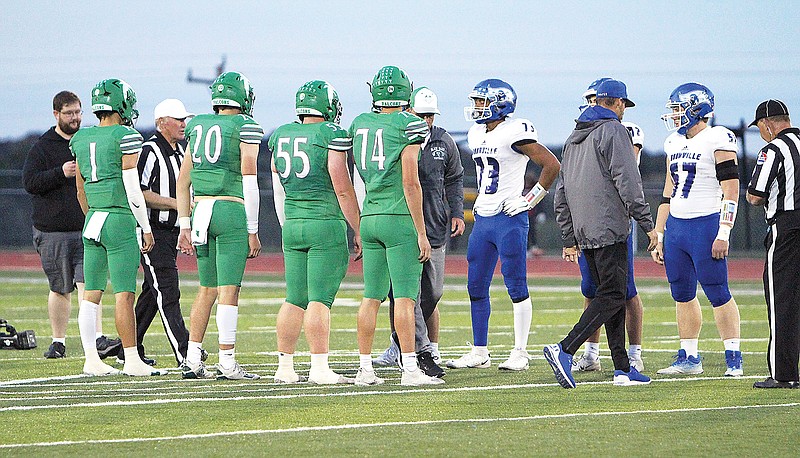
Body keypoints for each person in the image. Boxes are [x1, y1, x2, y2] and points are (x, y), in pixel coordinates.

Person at [546, 78, 656, 388]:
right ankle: (565, 349)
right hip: (608, 226)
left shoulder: (573, 137)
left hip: (584, 229)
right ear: (618, 103)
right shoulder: (613, 130)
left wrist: (569, 235)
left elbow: (561, 192)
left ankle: (622, 366)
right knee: (612, 295)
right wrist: (648, 225)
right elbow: (628, 182)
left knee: (610, 295)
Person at [446, 79, 560, 371]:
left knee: (516, 285)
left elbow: (552, 165)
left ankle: (520, 352)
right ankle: (480, 351)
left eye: (482, 102)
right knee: (475, 285)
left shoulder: (515, 131)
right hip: (483, 217)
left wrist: (530, 199)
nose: (477, 108)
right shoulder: (475, 133)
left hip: (509, 216)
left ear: (500, 104)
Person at [350, 65, 443, 387]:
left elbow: (358, 177)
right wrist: (421, 231)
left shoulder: (360, 123)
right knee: (404, 298)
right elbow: (410, 183)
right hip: (398, 218)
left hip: (370, 216)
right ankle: (410, 369)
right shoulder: (410, 125)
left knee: (371, 297)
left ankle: (365, 369)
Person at [70, 78, 164, 377]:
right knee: (124, 293)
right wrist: (145, 226)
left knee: (91, 293)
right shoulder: (125, 135)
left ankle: (91, 359)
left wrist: (92, 216)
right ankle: (132, 358)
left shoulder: (81, 139)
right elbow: (132, 188)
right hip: (119, 218)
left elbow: (80, 190)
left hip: (93, 219)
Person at [269, 80, 360, 385]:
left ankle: (285, 367)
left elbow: (278, 188)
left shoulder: (281, 134)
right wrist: (358, 227)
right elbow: (342, 187)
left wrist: (286, 224)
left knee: (294, 298)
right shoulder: (330, 134)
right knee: (318, 300)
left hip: (293, 223)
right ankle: (320, 368)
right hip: (324, 222)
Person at [651, 82, 743, 377]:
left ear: (696, 108)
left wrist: (724, 232)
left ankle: (733, 357)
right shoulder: (672, 143)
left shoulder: (717, 137)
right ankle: (689, 357)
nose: (674, 115)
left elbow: (731, 190)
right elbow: (668, 192)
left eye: (679, 109)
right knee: (681, 291)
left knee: (717, 290)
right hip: (677, 225)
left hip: (706, 223)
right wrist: (660, 233)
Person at [372, 86, 464, 377]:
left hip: (435, 225)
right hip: (403, 225)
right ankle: (418, 350)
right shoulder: (397, 137)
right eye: (421, 114)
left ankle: (401, 342)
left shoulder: (443, 141)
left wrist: (458, 212)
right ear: (408, 111)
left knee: (432, 293)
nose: (426, 121)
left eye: (430, 116)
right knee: (402, 293)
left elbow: (455, 178)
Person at [176, 71, 263, 380]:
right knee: (229, 289)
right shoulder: (244, 127)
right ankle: (227, 361)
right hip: (229, 210)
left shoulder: (197, 126)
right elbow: (250, 180)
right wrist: (253, 229)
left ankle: (192, 358)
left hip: (200, 211)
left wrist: (183, 224)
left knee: (206, 288)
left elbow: (183, 180)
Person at [23, 91, 121, 360]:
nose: (76, 118)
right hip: (52, 230)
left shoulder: (87, 140)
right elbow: (30, 183)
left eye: (78, 112)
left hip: (86, 226)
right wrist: (59, 173)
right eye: (69, 113)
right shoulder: (42, 147)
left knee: (89, 284)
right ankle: (58, 341)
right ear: (56, 114)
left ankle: (98, 338)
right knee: (60, 287)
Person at [570, 78, 646, 373]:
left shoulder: (618, 131)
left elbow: (625, 175)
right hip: (598, 223)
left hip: (605, 222)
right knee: (599, 290)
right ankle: (584, 351)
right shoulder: (585, 132)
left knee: (623, 291)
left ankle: (629, 357)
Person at [124, 99, 195, 367]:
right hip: (153, 230)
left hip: (172, 230)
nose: (183, 124)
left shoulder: (180, 151)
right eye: (178, 119)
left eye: (184, 119)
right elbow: (140, 193)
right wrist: (177, 203)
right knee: (167, 289)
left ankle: (127, 346)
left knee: (153, 294)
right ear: (161, 122)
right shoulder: (150, 151)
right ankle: (184, 350)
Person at [746, 100, 800, 389]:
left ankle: (784, 373)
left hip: (787, 230)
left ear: (767, 124)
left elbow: (755, 195)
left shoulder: (773, 150)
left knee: (783, 302)